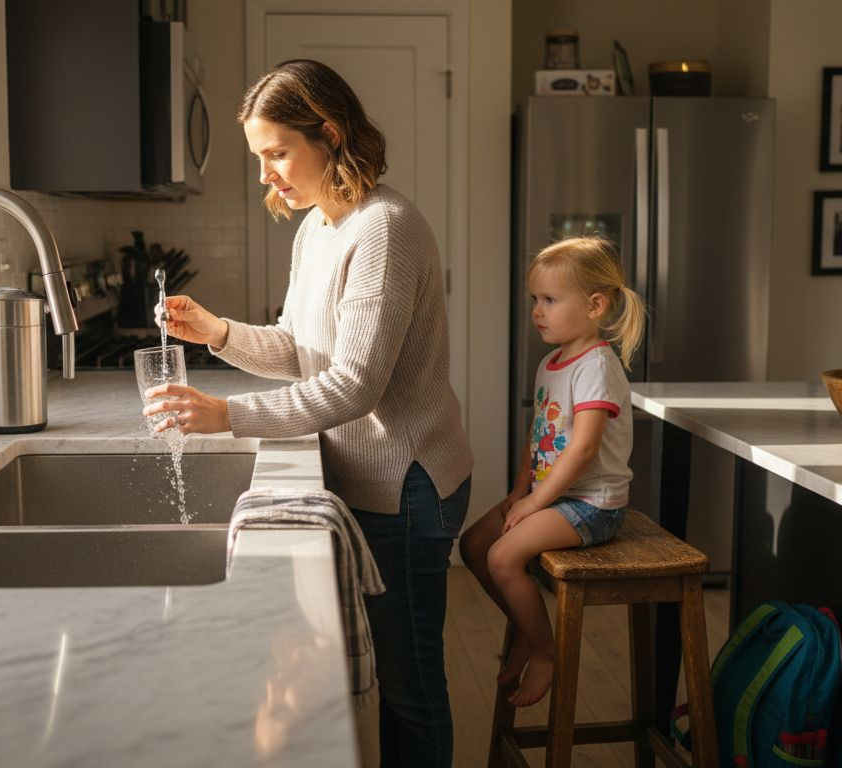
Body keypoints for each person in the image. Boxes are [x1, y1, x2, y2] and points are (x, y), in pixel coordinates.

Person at [143, 59, 474, 766]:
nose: (267, 174)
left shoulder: (384, 229)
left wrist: (225, 415)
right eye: (260, 158)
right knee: (390, 681)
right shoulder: (320, 228)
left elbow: (353, 386)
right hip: (364, 483)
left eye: (277, 153)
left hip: (407, 486)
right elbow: (301, 351)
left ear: (328, 133)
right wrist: (218, 332)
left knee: (411, 688)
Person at [459, 236, 646, 707]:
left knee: (502, 558)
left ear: (595, 306)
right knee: (474, 544)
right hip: (553, 495)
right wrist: (520, 490)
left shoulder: (597, 367)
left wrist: (534, 503)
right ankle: (526, 627)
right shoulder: (551, 361)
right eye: (534, 300)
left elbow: (582, 450)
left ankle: (544, 651)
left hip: (591, 504)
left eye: (549, 300)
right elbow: (540, 432)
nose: (537, 311)